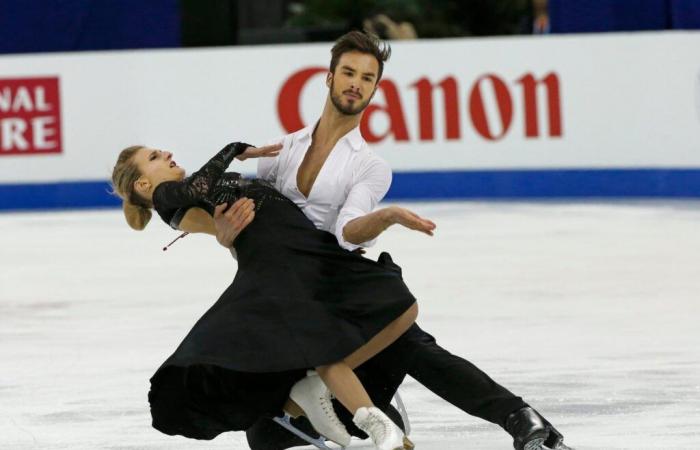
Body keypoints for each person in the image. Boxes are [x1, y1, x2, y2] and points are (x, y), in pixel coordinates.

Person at [211, 30, 574, 450]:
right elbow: (260, 229)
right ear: (328, 78)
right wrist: (226, 237)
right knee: (262, 433)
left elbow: (347, 231)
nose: (355, 84)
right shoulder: (284, 149)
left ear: (375, 90)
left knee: (408, 341)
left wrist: (385, 217)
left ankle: (521, 419)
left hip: (340, 284)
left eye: (367, 78)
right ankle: (377, 414)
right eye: (348, 72)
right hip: (293, 300)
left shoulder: (369, 165)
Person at [110, 141, 419, 450]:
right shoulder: (167, 197)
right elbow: (201, 198)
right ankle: (381, 430)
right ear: (143, 184)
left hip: (305, 247)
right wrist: (231, 149)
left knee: (402, 306)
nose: (166, 153)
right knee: (326, 343)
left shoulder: (189, 194)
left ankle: (316, 387)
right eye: (154, 157)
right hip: (280, 258)